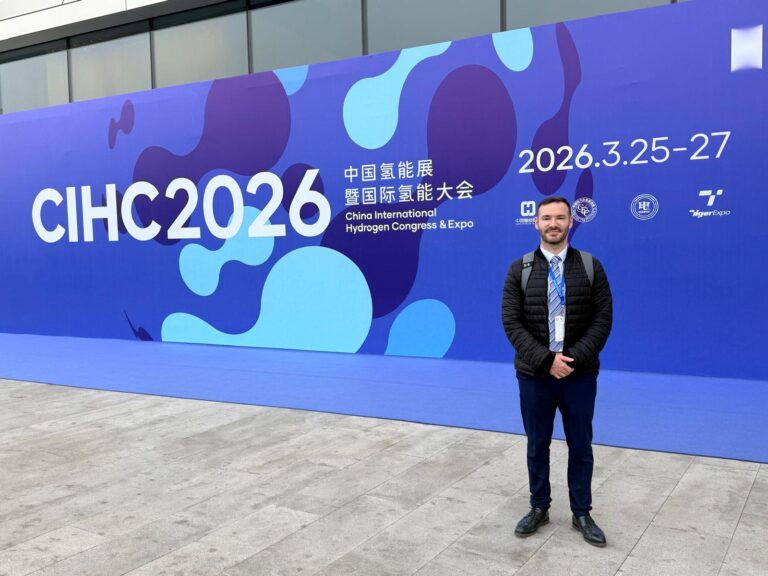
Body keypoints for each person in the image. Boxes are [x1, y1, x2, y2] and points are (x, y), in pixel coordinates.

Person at [501, 196, 613, 547]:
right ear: (536, 223)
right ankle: (539, 507)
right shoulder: (519, 269)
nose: (553, 223)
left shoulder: (591, 266)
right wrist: (547, 360)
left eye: (560, 218)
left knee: (580, 445)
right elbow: (512, 323)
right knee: (537, 444)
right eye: (546, 218)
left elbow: (602, 320)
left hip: (579, 376)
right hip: (534, 376)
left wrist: (571, 360)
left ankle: (582, 512)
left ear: (570, 222)